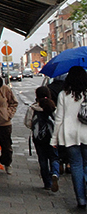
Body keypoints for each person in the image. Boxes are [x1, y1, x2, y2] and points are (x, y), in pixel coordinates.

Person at [51, 66, 87, 209]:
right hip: (86, 133)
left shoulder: (63, 95)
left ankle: (81, 199)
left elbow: (58, 119)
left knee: (76, 167)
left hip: (69, 135)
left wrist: (54, 139)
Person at [28, 86, 60, 191]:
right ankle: (55, 173)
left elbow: (28, 123)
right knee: (54, 157)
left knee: (43, 160)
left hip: (39, 139)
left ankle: (47, 183)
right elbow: (58, 121)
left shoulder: (33, 108)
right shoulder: (53, 107)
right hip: (52, 138)